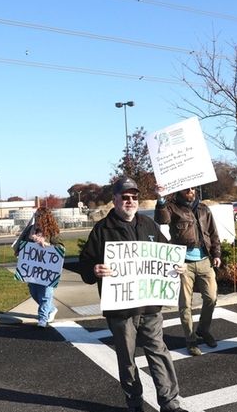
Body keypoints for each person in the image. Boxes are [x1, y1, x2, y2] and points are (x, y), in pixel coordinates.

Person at [79, 176, 188, 412]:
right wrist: (94, 269)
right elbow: (85, 265)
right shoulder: (102, 230)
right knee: (127, 360)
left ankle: (170, 404)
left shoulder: (149, 226)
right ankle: (135, 403)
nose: (130, 201)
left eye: (134, 197)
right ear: (115, 200)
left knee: (159, 353)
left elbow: (166, 253)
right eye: (125, 197)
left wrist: (177, 265)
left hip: (150, 307)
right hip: (121, 311)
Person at [154, 186, 221, 356]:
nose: (190, 191)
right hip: (183, 263)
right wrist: (160, 199)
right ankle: (190, 340)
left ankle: (203, 330)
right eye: (186, 189)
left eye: (192, 188)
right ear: (179, 191)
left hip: (205, 260)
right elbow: (161, 219)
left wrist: (217, 254)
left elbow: (213, 233)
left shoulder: (204, 208)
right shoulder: (171, 207)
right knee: (185, 304)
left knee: (211, 298)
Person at [13, 206, 64, 327]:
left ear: (46, 218)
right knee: (34, 292)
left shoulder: (52, 232)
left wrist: (45, 244)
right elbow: (23, 244)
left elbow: (60, 248)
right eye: (36, 216)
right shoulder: (30, 229)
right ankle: (51, 309)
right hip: (33, 270)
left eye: (39, 216)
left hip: (47, 270)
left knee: (46, 295)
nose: (36, 218)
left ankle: (42, 319)